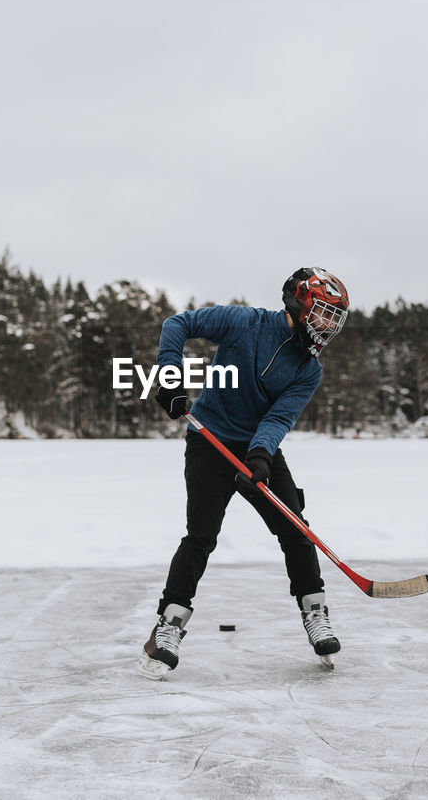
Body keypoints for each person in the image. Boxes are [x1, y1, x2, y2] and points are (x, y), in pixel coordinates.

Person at [137, 267, 351, 680]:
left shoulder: (309, 369)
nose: (327, 326)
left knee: (295, 528)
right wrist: (169, 374)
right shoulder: (244, 322)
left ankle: (315, 612)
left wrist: (260, 455)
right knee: (201, 536)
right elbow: (177, 323)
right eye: (323, 314)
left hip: (258, 451)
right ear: (300, 304)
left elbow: (278, 417)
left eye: (333, 320)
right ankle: (168, 625)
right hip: (208, 439)